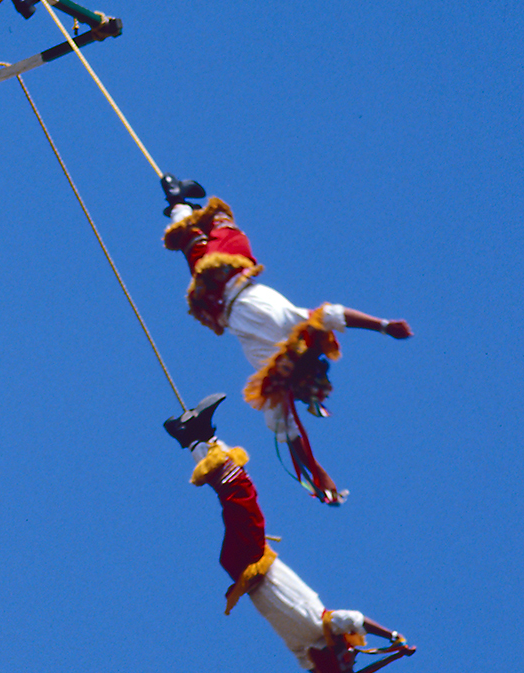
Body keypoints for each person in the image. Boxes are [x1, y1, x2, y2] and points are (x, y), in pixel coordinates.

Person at [160, 175, 411, 504]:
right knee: (217, 233)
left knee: (194, 244)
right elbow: (334, 314)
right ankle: (182, 203)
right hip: (234, 275)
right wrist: (383, 325)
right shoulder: (298, 331)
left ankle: (178, 202)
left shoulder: (274, 381)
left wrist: (317, 473)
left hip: (218, 299)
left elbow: (292, 436)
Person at [164, 394, 415, 673]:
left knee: (241, 495)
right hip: (244, 565)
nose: (352, 652)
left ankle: (197, 436)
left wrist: (391, 638)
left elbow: (353, 623)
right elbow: (335, 653)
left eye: (350, 655)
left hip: (252, 564)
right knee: (236, 494)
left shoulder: (317, 636)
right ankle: (195, 438)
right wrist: (351, 671)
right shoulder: (308, 644)